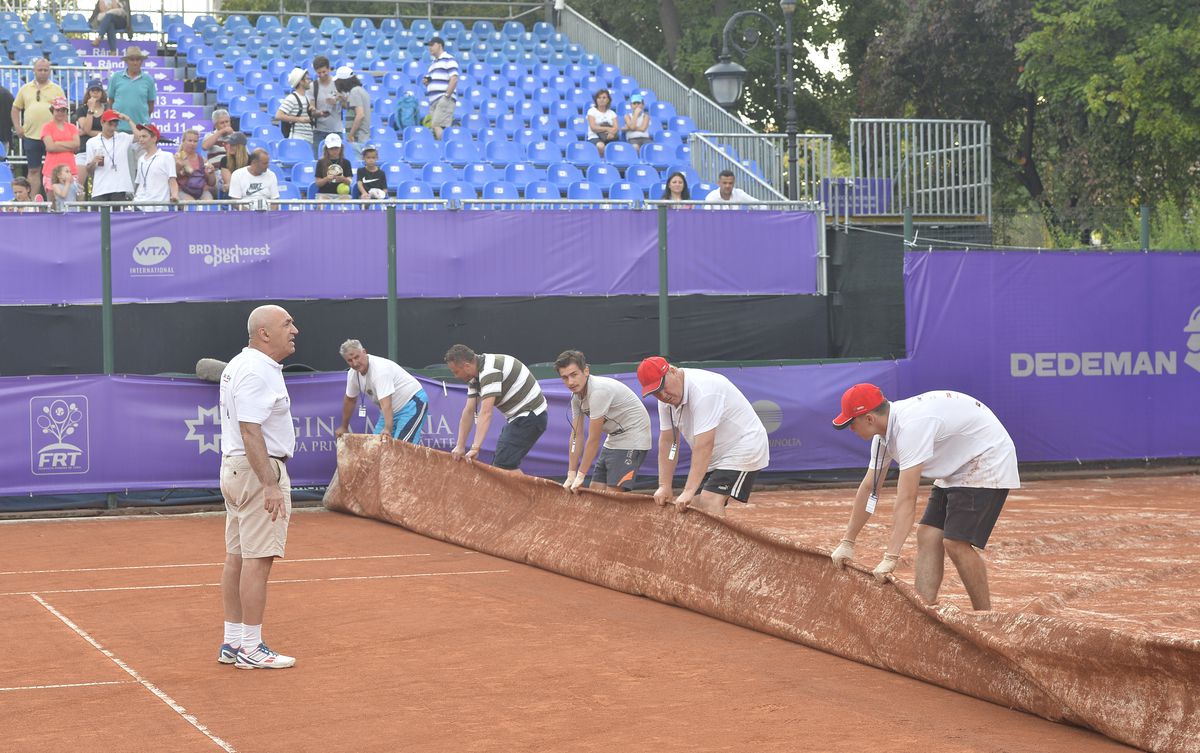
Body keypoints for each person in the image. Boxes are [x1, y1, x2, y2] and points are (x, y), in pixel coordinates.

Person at [829, 384, 1019, 611]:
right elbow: (870, 486)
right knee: (928, 534)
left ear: (869, 418)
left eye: (852, 423)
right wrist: (847, 541)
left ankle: (985, 617)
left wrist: (891, 556)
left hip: (987, 457)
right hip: (958, 461)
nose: (851, 429)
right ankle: (924, 609)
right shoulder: (883, 437)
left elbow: (907, 499)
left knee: (955, 542)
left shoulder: (910, 428)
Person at [217, 304, 299, 670]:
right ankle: (250, 646)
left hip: (236, 469)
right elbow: (251, 429)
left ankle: (233, 641)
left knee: (237, 557)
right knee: (256, 560)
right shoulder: (256, 369)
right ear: (264, 333)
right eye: (287, 324)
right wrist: (270, 482)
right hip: (256, 471)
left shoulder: (242, 364)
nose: (294, 329)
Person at [637, 356, 769, 517]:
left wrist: (688, 490)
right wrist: (664, 485)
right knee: (691, 507)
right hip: (715, 456)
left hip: (744, 446)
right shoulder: (665, 401)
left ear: (672, 371)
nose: (662, 395)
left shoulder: (704, 391)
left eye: (662, 386)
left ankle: (722, 543)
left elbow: (704, 445)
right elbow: (668, 441)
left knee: (709, 501)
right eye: (655, 392)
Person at [556, 349, 651, 494]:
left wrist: (581, 475)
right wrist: (571, 473)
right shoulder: (575, 397)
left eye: (574, 375)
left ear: (586, 371)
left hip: (634, 436)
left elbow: (594, 439)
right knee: (596, 493)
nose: (570, 382)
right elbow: (576, 435)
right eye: (565, 377)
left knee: (611, 497)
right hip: (614, 438)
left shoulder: (598, 391)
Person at [445, 344, 547, 472]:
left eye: (456, 372)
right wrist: (460, 446)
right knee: (502, 466)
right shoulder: (474, 376)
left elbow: (486, 412)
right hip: (521, 418)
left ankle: (531, 492)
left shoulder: (489, 371)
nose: (456, 376)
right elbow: (469, 411)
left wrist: (475, 448)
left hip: (531, 416)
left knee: (502, 467)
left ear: (466, 366)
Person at [335, 340, 429, 443]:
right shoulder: (352, 374)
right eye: (349, 360)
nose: (355, 363)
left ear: (364, 352)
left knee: (403, 449)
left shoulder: (380, 370)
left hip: (412, 403)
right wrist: (344, 426)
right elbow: (350, 400)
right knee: (376, 449)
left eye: (357, 357)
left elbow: (386, 403)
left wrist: (387, 429)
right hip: (389, 411)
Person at [12, 58, 65, 199]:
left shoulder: (57, 89)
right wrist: (18, 127)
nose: (43, 72)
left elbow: (63, 112)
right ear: (34, 71)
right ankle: (32, 204)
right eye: (40, 70)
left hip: (52, 137)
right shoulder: (25, 88)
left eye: (45, 70)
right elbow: (15, 109)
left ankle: (54, 203)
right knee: (33, 170)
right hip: (31, 136)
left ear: (50, 71)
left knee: (54, 171)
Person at [84, 109, 135, 201]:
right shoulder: (92, 142)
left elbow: (139, 137)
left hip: (120, 188)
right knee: (99, 215)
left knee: (118, 215)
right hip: (100, 189)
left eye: (115, 125)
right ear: (102, 123)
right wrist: (93, 162)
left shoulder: (123, 137)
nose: (112, 128)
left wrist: (128, 120)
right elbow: (88, 170)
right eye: (110, 124)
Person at [107, 47, 155, 135]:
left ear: (141, 62)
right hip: (118, 127)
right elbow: (111, 101)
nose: (135, 62)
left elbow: (151, 105)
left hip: (141, 127)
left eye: (138, 59)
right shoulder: (116, 77)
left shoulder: (148, 79)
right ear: (126, 61)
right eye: (132, 59)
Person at [131, 122, 177, 209]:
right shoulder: (141, 159)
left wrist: (174, 195)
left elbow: (172, 180)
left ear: (154, 138)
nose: (140, 139)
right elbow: (139, 183)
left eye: (144, 136)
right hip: (138, 206)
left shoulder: (167, 156)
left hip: (157, 208)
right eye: (140, 137)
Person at [41, 97, 80, 194]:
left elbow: (77, 145)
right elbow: (50, 147)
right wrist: (69, 145)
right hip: (51, 170)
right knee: (52, 204)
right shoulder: (47, 127)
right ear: (52, 111)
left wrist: (57, 143)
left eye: (63, 110)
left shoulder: (72, 127)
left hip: (70, 169)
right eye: (57, 110)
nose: (60, 113)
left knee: (71, 202)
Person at [422, 36, 458, 140]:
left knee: (436, 125)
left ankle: (444, 149)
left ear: (440, 45)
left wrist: (447, 96)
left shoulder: (449, 59)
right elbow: (430, 79)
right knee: (438, 126)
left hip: (443, 98)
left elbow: (454, 78)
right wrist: (427, 81)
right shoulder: (433, 63)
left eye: (432, 45)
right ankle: (445, 149)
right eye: (429, 45)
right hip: (434, 101)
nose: (430, 47)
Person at [334, 66, 370, 159]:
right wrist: (343, 100)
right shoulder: (361, 90)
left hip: (357, 137)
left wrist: (351, 135)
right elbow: (352, 108)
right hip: (362, 136)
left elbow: (360, 115)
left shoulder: (355, 92)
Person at [309, 55, 341, 158]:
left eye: (324, 72)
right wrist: (318, 113)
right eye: (319, 73)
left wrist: (338, 100)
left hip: (336, 129)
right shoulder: (313, 86)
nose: (322, 75)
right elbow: (311, 109)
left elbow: (347, 105)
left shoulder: (338, 84)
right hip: (319, 130)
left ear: (329, 69)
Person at [275, 67, 314, 151]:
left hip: (308, 138)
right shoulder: (292, 98)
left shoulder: (307, 97)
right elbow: (278, 115)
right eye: (307, 79)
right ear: (300, 81)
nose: (309, 81)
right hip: (298, 139)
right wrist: (299, 119)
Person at [174, 127, 215, 202]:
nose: (192, 144)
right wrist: (179, 166)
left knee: (209, 205)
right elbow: (172, 179)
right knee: (191, 205)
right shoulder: (176, 158)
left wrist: (211, 173)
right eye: (190, 141)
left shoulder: (202, 159)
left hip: (201, 191)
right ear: (183, 142)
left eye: (195, 141)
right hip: (182, 191)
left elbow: (212, 183)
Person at [315, 133, 352, 199]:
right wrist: (327, 179)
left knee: (346, 200)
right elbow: (318, 183)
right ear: (327, 149)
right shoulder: (320, 162)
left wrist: (342, 179)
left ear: (341, 148)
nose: (334, 151)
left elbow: (349, 182)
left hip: (342, 195)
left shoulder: (346, 162)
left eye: (336, 148)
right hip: (324, 193)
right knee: (322, 201)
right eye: (331, 148)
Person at [73, 78, 107, 152]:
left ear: (102, 92)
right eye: (92, 90)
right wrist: (91, 108)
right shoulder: (82, 109)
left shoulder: (107, 109)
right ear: (88, 93)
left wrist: (88, 132)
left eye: (98, 90)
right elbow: (87, 129)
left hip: (104, 147)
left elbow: (109, 132)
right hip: (85, 147)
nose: (95, 93)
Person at [586, 89, 619, 157]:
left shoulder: (612, 113)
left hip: (610, 138)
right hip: (594, 137)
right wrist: (607, 128)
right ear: (596, 100)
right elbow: (593, 127)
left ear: (608, 100)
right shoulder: (591, 111)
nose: (601, 100)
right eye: (599, 98)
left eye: (604, 98)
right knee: (601, 146)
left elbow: (616, 128)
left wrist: (611, 133)